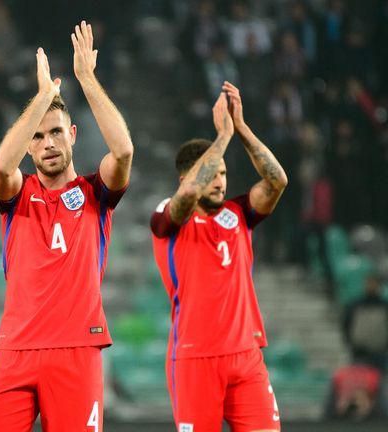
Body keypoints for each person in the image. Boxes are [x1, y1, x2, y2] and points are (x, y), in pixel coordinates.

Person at [0, 21, 133, 432]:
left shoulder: (96, 194)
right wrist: (45, 96)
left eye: (57, 133)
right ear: (29, 143)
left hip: (77, 350)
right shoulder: (15, 194)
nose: (48, 143)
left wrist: (86, 79)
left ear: (73, 135)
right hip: (15, 350)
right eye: (40, 136)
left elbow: (124, 150)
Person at [150, 81, 288, 432]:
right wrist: (221, 137)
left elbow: (277, 181)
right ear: (185, 176)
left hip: (247, 356)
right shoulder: (169, 216)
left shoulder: (239, 214)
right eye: (214, 172)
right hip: (195, 358)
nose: (220, 181)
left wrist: (240, 128)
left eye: (224, 173)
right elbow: (191, 191)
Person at [342, 275, 388, 372]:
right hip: (359, 352)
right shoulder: (355, 305)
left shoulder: (384, 306)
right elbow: (346, 325)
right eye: (368, 283)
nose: (371, 286)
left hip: (379, 352)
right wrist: (350, 343)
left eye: (374, 284)